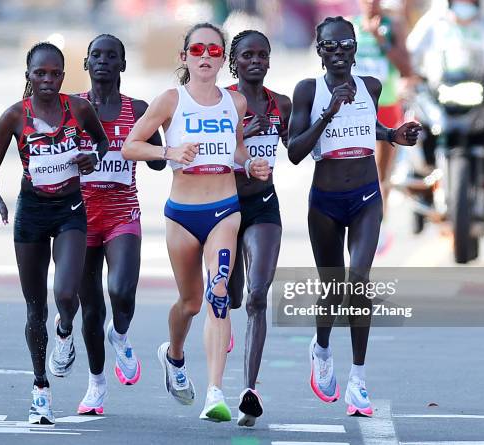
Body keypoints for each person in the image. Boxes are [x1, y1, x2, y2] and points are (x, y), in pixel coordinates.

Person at [122, 22, 270, 422]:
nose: (206, 56)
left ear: (223, 59)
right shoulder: (171, 100)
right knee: (189, 303)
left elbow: (236, 149)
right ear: (184, 57)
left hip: (224, 209)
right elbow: (130, 146)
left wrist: (249, 163)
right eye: (198, 50)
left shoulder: (235, 102)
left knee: (218, 293)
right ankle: (173, 356)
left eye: (214, 51)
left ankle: (215, 393)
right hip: (182, 215)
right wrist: (170, 150)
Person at [287, 16, 421, 417]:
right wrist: (328, 111)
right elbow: (294, 150)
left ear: (355, 49)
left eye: (346, 46)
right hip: (325, 201)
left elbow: (367, 125)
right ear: (319, 52)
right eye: (330, 47)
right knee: (331, 287)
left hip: (365, 198)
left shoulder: (371, 86)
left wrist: (392, 135)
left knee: (359, 282)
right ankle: (322, 348)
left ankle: (358, 381)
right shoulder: (308, 90)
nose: (339, 53)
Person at [0, 42, 108, 424]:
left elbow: (101, 142)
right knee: (35, 307)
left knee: (67, 294)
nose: (48, 80)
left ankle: (65, 330)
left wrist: (94, 156)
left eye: (55, 74)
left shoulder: (79, 109)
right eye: (41, 73)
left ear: (63, 77)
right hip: (31, 215)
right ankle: (40, 389)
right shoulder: (14, 117)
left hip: (70, 210)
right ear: (29, 76)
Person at [75, 34, 166, 415]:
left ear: (122, 65)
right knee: (91, 309)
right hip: (77, 218)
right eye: (96, 55)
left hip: (121, 214)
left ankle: (122, 335)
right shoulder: (73, 108)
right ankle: (96, 385)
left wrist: (149, 144)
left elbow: (159, 160)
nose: (103, 62)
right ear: (86, 63)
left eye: (112, 56)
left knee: (122, 292)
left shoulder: (138, 109)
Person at [407, 0, 484, 231]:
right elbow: (410, 52)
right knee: (413, 118)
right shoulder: (435, 19)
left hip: (481, 92)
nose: (465, 4)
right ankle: (414, 181)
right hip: (440, 91)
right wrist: (409, 75)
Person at [225, 29, 291, 427]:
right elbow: (207, 151)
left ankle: (250, 391)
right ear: (235, 62)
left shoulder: (279, 103)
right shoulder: (219, 101)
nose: (255, 61)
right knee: (230, 298)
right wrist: (246, 132)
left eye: (262, 55)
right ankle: (223, 324)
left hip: (264, 205)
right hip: (224, 206)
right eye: (247, 55)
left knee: (257, 297)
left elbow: (298, 150)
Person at [351, 0, 414, 253]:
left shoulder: (393, 24)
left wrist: (381, 39)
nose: (371, 2)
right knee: (355, 167)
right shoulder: (350, 26)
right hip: (354, 108)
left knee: (381, 172)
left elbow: (407, 68)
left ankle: (378, 226)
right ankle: (360, 223)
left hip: (386, 105)